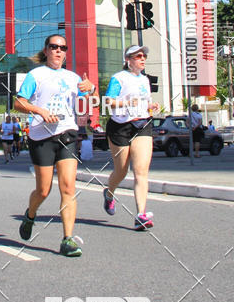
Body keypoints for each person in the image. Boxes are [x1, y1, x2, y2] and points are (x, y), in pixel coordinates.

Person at [15, 33, 95, 258]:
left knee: (68, 187)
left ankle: (67, 239)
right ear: (46, 50)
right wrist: (39, 110)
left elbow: (87, 97)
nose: (59, 51)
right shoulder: (36, 75)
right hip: (41, 137)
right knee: (44, 190)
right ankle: (30, 215)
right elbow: (19, 102)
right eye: (54, 47)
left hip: (67, 133)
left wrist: (92, 88)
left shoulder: (72, 77)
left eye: (63, 48)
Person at [102, 45, 159, 231]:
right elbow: (108, 102)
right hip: (120, 127)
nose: (143, 59)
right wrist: (126, 102)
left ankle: (141, 215)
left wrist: (151, 106)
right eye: (138, 56)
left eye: (144, 56)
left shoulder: (145, 80)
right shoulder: (118, 78)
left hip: (142, 125)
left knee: (141, 170)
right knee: (121, 171)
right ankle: (109, 193)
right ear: (128, 60)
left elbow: (145, 101)